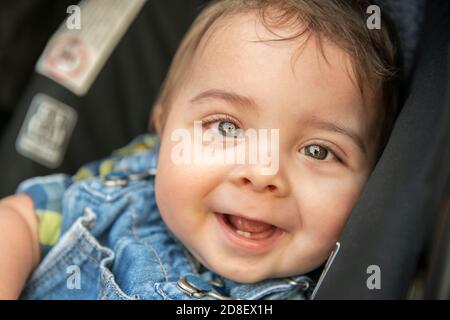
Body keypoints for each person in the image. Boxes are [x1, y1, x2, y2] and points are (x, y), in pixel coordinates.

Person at [0, 0, 399, 300]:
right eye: (226, 127)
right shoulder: (118, 199)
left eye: (317, 151)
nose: (262, 173)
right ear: (162, 129)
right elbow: (21, 218)